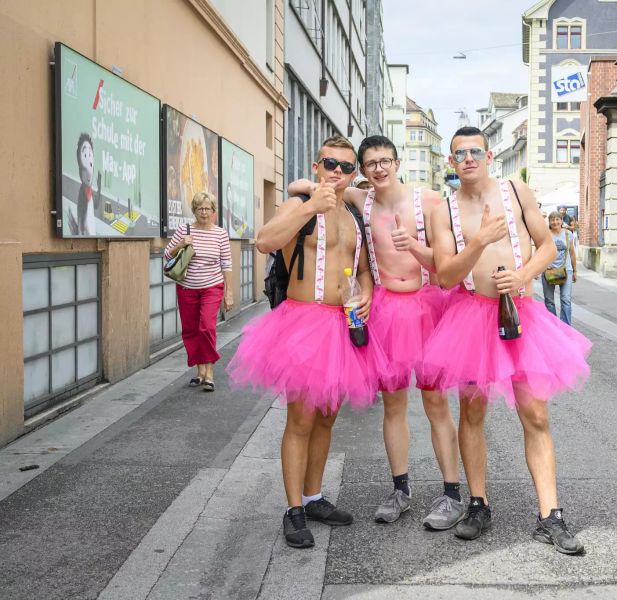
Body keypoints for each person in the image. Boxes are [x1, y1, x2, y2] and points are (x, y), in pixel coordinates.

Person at [420, 126, 592, 555]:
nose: (468, 159)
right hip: (471, 319)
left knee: (535, 414)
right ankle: (478, 503)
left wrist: (523, 275)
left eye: (475, 151)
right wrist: (479, 240)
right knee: (472, 411)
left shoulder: (517, 191)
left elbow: (548, 246)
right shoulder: (444, 210)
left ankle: (550, 515)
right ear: (451, 162)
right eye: (460, 154)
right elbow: (444, 275)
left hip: (521, 315)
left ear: (490, 154)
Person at [287, 135, 465, 531]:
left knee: (436, 404)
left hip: (426, 307)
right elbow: (306, 187)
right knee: (394, 404)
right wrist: (303, 187)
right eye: (371, 164)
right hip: (385, 312)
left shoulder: (429, 201)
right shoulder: (359, 201)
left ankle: (452, 493)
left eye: (386, 160)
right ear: (363, 172)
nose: (380, 168)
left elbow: (446, 264)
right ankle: (400, 489)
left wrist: (415, 246)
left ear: (397, 162)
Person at [228, 135, 395, 549]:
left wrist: (367, 293)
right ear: (316, 166)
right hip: (303, 326)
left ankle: (314, 496)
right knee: (300, 421)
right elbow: (264, 241)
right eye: (330, 164)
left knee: (326, 419)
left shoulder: (354, 217)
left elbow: (364, 271)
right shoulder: (297, 207)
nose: (338, 173)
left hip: (343, 326)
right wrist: (308, 205)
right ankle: (293, 509)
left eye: (345, 167)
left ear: (353, 172)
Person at [164, 191, 233, 392]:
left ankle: (209, 373)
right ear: (194, 210)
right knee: (191, 330)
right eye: (200, 208)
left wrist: (228, 293)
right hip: (187, 288)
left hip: (212, 286)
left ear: (213, 211)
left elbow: (226, 264)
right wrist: (181, 243)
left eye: (208, 208)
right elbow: (167, 254)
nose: (204, 212)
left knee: (206, 327)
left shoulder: (220, 234)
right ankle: (200, 371)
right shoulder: (184, 230)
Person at [541, 212, 577, 325]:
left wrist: (575, 270)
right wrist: (543, 265)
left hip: (566, 270)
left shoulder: (568, 234)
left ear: (561, 221)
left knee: (566, 300)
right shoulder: (545, 235)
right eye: (552, 220)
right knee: (549, 300)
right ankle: (553, 325)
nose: (555, 222)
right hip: (549, 271)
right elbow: (540, 252)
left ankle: (565, 326)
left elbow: (572, 253)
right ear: (549, 222)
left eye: (557, 219)